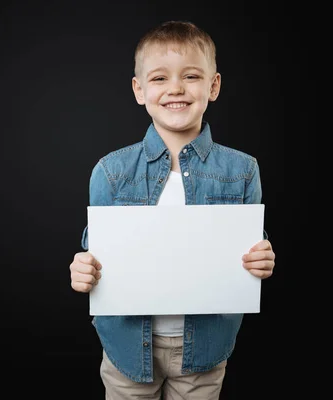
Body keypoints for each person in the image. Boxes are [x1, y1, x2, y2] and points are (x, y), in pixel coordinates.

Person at [69, 20, 276, 399]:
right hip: (127, 349)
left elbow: (252, 245)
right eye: (160, 78)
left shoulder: (242, 170)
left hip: (206, 351)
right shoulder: (111, 171)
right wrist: (82, 269)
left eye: (192, 76)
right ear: (139, 90)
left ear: (213, 86)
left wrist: (262, 257)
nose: (176, 88)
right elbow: (94, 251)